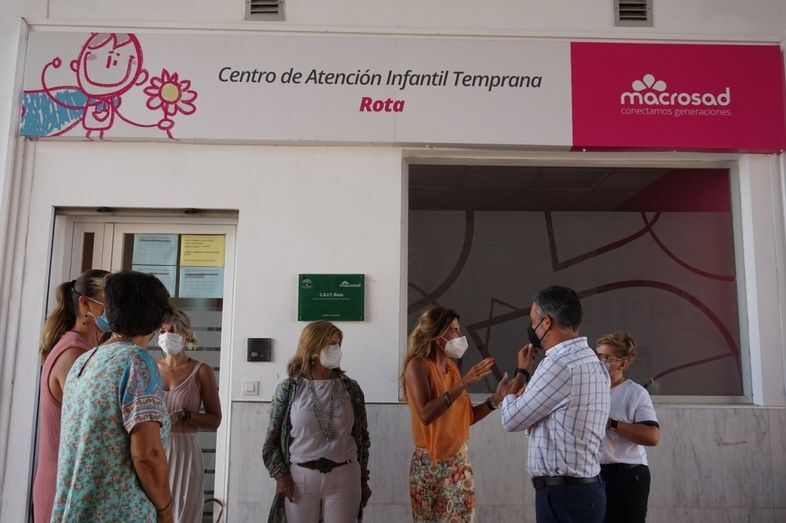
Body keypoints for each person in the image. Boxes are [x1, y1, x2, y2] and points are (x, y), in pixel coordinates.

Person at [51, 271, 175, 522]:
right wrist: (165, 509)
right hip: (118, 512)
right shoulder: (137, 362)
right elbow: (147, 454)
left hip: (76, 511)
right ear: (156, 319)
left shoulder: (86, 360)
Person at [500, 285, 610, 523]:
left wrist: (521, 373)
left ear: (546, 322)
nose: (531, 328)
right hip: (585, 491)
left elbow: (511, 419)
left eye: (533, 321)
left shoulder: (559, 364)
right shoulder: (593, 361)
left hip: (563, 496)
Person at [402, 306, 514, 522]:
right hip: (426, 465)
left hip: (457, 463)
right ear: (437, 335)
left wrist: (496, 399)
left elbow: (467, 417)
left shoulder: (452, 368)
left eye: (459, 329)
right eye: (454, 330)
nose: (461, 336)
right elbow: (425, 414)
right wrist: (463, 383)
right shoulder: (417, 366)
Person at [262, 321, 372, 522]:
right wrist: (281, 476)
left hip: (345, 476)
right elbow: (271, 442)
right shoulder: (289, 389)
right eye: (331, 344)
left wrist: (363, 480)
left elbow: (363, 438)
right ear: (312, 348)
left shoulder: (351, 389)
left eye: (338, 344)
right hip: (300, 478)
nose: (336, 349)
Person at [32, 269, 109, 523]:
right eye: (107, 303)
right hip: (63, 487)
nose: (113, 311)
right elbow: (92, 421)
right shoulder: (74, 353)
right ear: (85, 304)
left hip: (71, 482)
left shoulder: (83, 348)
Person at [157, 309, 222, 523]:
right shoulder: (150, 368)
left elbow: (215, 419)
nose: (167, 336)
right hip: (155, 447)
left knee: (183, 511)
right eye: (163, 331)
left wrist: (185, 415)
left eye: (173, 331)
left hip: (185, 450)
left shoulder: (201, 371)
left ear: (186, 334)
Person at [595, 331, 660, 523]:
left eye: (605, 358)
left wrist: (611, 423)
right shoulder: (589, 390)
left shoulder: (636, 393)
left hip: (628, 476)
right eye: (596, 356)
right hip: (593, 475)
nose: (598, 362)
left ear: (622, 364)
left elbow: (652, 436)